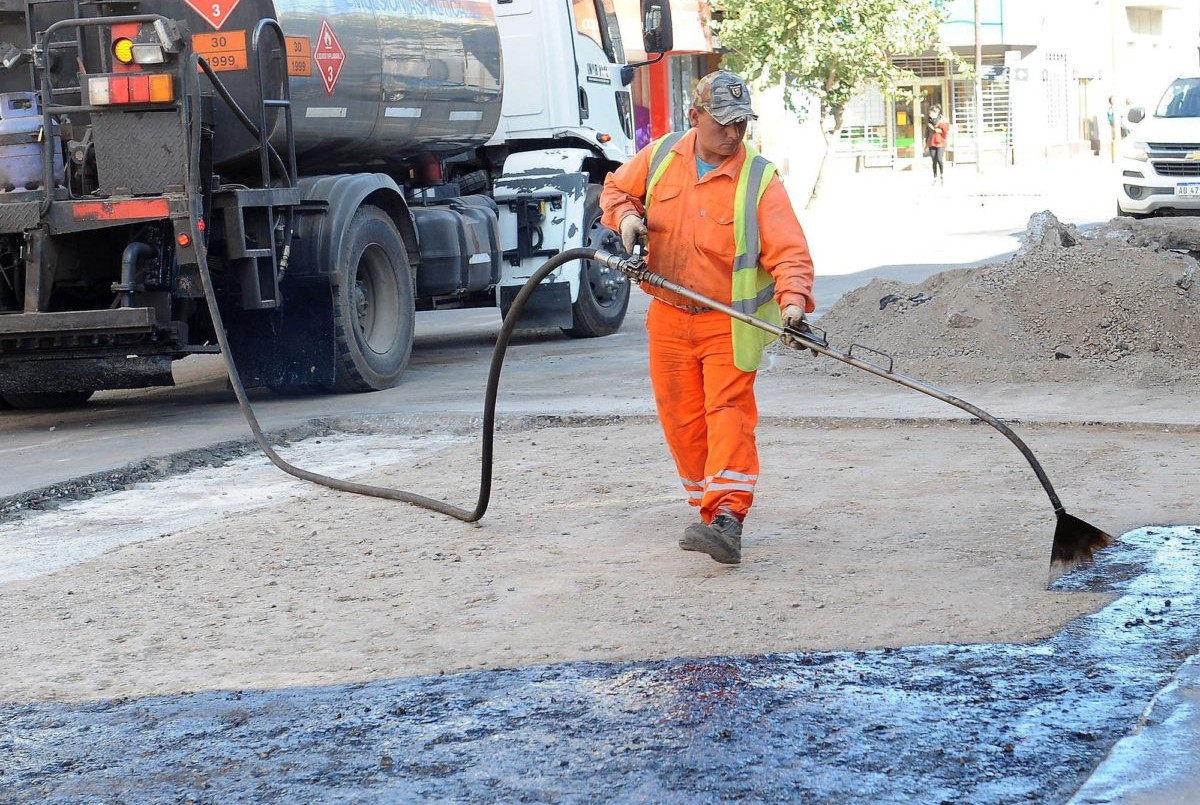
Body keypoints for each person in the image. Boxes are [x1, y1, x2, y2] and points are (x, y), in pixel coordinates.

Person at [599, 69, 816, 565]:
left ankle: (728, 518)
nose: (734, 134)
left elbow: (790, 254)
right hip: (670, 317)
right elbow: (615, 191)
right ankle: (707, 510)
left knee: (729, 417)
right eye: (723, 123)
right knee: (682, 422)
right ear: (694, 117)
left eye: (742, 123)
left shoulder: (759, 179)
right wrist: (628, 218)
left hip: (726, 324)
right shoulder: (659, 158)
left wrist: (793, 303)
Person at [925, 104, 949, 184]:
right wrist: (925, 144)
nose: (930, 115)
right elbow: (927, 133)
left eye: (931, 113)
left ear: (936, 113)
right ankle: (935, 176)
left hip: (940, 142)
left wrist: (940, 131)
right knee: (934, 160)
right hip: (932, 142)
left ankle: (942, 174)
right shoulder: (929, 121)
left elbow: (946, 131)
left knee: (939, 159)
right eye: (929, 113)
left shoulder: (943, 120)